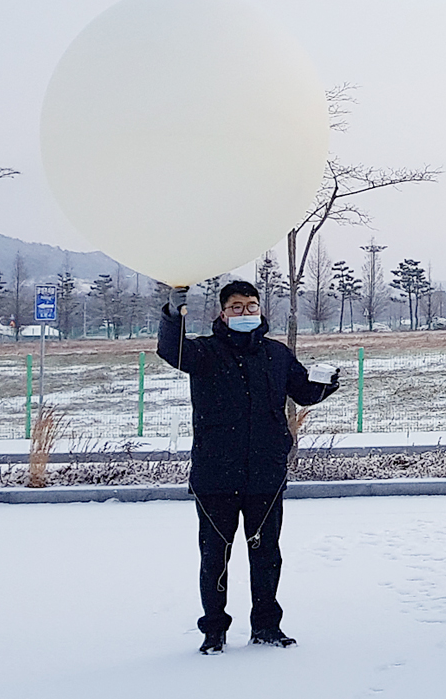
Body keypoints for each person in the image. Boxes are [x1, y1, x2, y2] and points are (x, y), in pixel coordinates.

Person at [158, 280, 338, 655]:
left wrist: (325, 385)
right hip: (215, 476)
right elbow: (171, 351)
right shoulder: (205, 352)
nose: (245, 313)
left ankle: (267, 627)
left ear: (261, 310)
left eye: (251, 306)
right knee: (214, 557)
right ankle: (214, 631)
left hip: (265, 476)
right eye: (236, 307)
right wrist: (174, 314)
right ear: (222, 313)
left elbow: (302, 391)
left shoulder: (276, 354)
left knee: (267, 555)